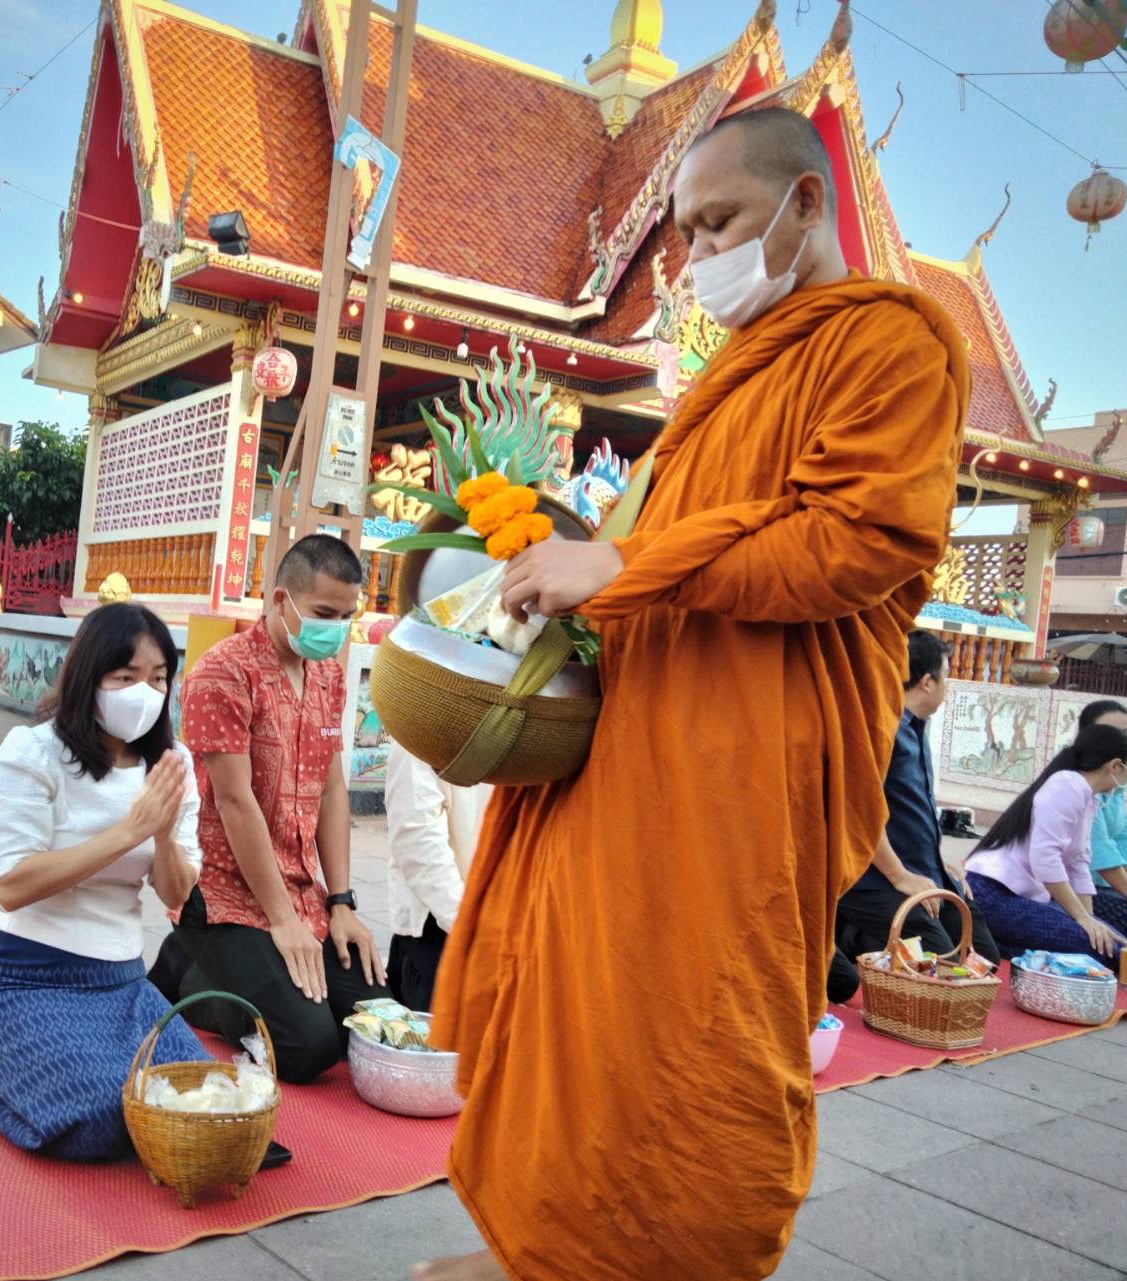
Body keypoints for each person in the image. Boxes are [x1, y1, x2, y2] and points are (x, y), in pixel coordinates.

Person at [415, 106, 970, 1281]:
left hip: (738, 778)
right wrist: (568, 587)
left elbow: (856, 540)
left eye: (719, 221)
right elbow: (657, 555)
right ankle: (544, 1252)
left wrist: (617, 565)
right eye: (686, 233)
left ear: (806, 202)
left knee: (692, 1035)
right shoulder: (728, 380)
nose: (699, 255)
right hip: (627, 754)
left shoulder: (891, 344)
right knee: (578, 1014)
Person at [0, 604, 210, 1160]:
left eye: (158, 678)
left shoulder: (172, 764)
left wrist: (162, 834)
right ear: (88, 677)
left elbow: (176, 894)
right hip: (21, 977)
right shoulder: (34, 751)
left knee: (195, 1098)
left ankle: (32, 1080)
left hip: (121, 984)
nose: (144, 693)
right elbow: (13, 885)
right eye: (125, 677)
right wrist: (129, 831)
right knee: (101, 1114)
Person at [152, 534, 389, 1084]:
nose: (336, 628)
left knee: (371, 1020)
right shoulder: (223, 673)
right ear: (281, 600)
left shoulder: (328, 676)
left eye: (347, 617)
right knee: (307, 1049)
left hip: (303, 891)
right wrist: (282, 920)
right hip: (225, 893)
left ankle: (223, 966)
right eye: (324, 614)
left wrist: (341, 903)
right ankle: (191, 976)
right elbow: (235, 800)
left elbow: (332, 790)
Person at [836, 631, 1000, 968]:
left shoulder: (917, 727)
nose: (947, 688)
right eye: (946, 677)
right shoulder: (882, 728)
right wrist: (899, 876)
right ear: (927, 682)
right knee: (941, 967)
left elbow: (912, 814)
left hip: (920, 871)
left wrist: (939, 866)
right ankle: (851, 932)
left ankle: (864, 932)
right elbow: (859, 812)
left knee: (982, 959)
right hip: (877, 876)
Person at [964, 723, 1127, 961]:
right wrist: (1081, 918)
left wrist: (1090, 920)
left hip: (1021, 896)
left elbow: (1078, 862)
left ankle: (995, 942)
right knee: (1110, 953)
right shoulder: (1068, 785)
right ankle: (988, 939)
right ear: (1115, 765)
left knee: (1116, 945)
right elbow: (1045, 858)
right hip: (993, 892)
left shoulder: (1089, 797)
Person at [384, 742, 492, 1011]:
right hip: (440, 927)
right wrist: (473, 928)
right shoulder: (419, 736)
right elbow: (419, 845)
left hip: (504, 927)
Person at [1077, 700, 1127, 941]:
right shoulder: (1079, 785)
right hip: (1077, 891)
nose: (1122, 742)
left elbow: (1122, 836)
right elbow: (1100, 849)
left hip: (1105, 886)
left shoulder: (1115, 783)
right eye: (1111, 734)